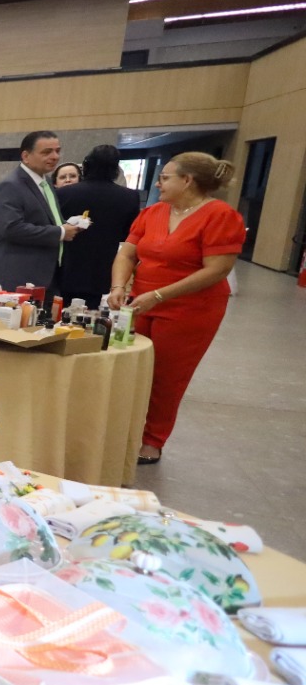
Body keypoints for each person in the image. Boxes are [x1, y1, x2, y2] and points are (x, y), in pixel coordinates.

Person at [108, 153, 245, 465]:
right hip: (141, 302)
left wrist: (159, 295)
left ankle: (152, 440)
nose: (158, 183)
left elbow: (217, 270)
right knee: (132, 367)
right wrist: (118, 286)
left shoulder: (221, 216)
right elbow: (127, 254)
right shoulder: (153, 212)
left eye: (165, 178)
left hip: (190, 308)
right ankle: (124, 430)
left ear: (187, 181)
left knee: (167, 377)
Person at [0, 130, 82, 294]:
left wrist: (68, 224)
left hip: (45, 275)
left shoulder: (46, 183)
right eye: (47, 152)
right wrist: (60, 232)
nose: (55, 156)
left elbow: (46, 220)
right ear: (26, 156)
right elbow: (11, 228)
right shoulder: (10, 186)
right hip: (14, 276)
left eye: (57, 151)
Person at [56, 145, 141, 306]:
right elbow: (128, 234)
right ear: (115, 169)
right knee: (91, 312)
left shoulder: (64, 193)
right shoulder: (130, 197)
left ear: (86, 166)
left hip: (66, 266)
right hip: (102, 268)